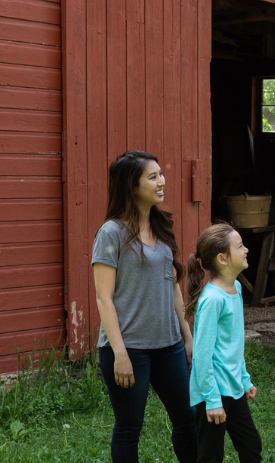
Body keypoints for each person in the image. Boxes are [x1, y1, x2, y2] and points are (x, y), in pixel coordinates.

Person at [91, 150, 197, 463]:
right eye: (153, 177)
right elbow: (103, 297)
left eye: (160, 174)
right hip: (129, 348)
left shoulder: (161, 226)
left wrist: (186, 335)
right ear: (132, 186)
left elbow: (173, 285)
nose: (162, 181)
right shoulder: (111, 233)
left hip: (169, 346)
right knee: (129, 428)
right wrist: (119, 353)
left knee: (188, 418)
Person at [186, 223, 262, 463]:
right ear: (222, 258)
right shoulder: (212, 300)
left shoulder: (236, 288)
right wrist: (212, 400)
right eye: (239, 246)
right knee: (211, 455)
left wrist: (244, 378)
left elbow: (233, 344)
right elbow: (202, 355)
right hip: (212, 391)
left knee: (251, 446)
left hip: (233, 386)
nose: (246, 249)